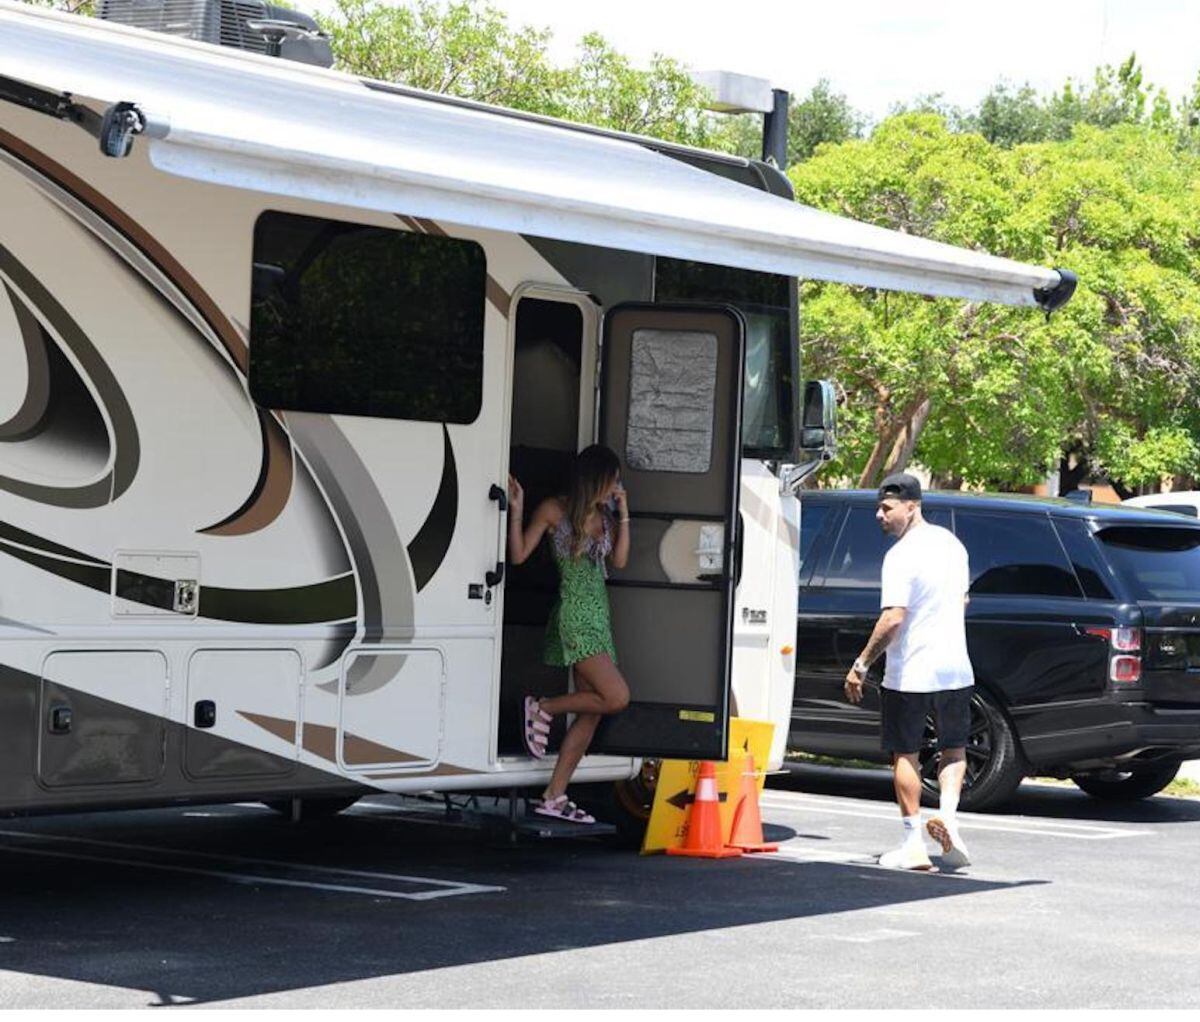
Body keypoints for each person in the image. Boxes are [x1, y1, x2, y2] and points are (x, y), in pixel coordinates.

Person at [844, 472, 974, 870]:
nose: (880, 516)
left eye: (887, 508)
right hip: (955, 666)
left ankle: (912, 843)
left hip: (912, 669)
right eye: (879, 508)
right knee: (954, 747)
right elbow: (963, 600)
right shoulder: (953, 545)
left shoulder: (900, 556)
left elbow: (893, 618)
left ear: (911, 506)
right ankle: (948, 819)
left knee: (906, 752)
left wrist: (861, 663)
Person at [507, 444, 631, 823]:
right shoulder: (553, 510)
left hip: (599, 618)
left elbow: (620, 561)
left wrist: (624, 515)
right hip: (575, 614)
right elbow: (519, 554)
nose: (616, 488)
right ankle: (543, 707)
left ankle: (554, 796)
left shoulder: (605, 518)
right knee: (616, 697)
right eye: (612, 481)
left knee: (590, 713)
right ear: (596, 479)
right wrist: (516, 511)